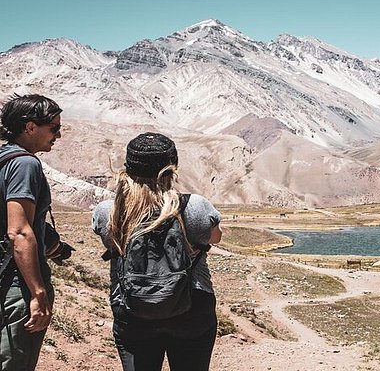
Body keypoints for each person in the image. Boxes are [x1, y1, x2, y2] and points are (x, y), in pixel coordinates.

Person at [92, 132, 222, 371]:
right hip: (192, 308)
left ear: (128, 168)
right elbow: (215, 237)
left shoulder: (108, 212)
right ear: (172, 169)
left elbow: (109, 243)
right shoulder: (196, 207)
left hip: (133, 309)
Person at [0, 94, 63, 370]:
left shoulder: (3, 158)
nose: (58, 135)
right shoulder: (25, 164)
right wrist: (38, 293)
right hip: (15, 282)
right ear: (30, 127)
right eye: (54, 128)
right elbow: (19, 232)